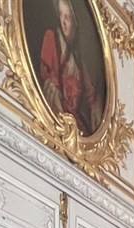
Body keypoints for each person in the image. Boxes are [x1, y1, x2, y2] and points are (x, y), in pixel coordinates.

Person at [38, 0, 103, 136]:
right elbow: (48, 76)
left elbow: (91, 94)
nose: (64, 22)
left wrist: (95, 106)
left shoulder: (78, 60)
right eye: (61, 15)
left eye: (67, 17)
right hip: (56, 115)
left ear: (75, 22)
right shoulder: (52, 38)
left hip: (74, 121)